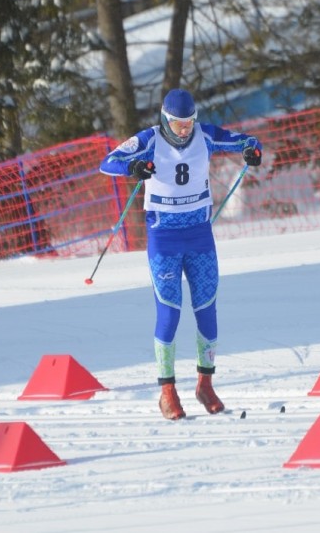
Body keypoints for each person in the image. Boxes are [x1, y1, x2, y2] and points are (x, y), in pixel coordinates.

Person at [99, 88, 262, 420]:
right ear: (165, 118)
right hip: (164, 237)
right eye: (178, 124)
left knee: (207, 308)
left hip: (200, 235)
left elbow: (245, 141)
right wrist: (134, 168)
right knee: (170, 312)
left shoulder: (205, 136)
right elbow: (108, 163)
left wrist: (252, 150)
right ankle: (167, 393)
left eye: (189, 123)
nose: (185, 129)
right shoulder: (149, 139)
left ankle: (205, 384)